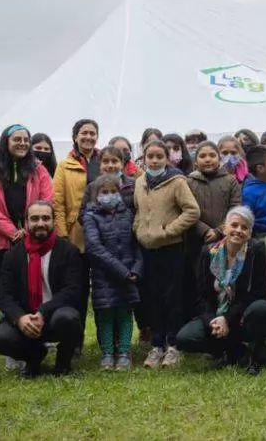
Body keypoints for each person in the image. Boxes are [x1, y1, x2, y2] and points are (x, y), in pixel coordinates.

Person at [0, 124, 54, 363]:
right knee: (8, 292)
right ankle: (13, 344)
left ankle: (41, 336)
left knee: (34, 288)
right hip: (2, 242)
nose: (22, 143)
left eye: (25, 139)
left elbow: (47, 200)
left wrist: (29, 230)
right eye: (16, 139)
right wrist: (12, 232)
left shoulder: (39, 170)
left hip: (35, 240)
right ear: (6, 142)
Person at [176, 206, 266, 376]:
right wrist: (212, 321)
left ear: (250, 233)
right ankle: (232, 351)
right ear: (225, 228)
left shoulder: (256, 251)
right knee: (185, 338)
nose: (238, 230)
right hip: (216, 313)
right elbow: (201, 296)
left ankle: (256, 355)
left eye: (244, 227)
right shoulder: (208, 253)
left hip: (243, 315)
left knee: (262, 308)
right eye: (234, 225)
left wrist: (227, 319)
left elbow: (258, 292)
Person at [0, 201, 84, 377]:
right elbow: (4, 294)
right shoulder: (12, 255)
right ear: (26, 223)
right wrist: (19, 318)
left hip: (55, 316)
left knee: (69, 319)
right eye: (34, 219)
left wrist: (43, 312)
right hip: (26, 319)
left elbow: (72, 290)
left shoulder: (68, 251)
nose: (40, 223)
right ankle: (34, 358)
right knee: (0, 339)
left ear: (53, 221)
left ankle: (63, 362)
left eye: (45, 218)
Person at [133, 140, 200, 368]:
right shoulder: (140, 182)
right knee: (152, 297)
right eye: (149, 156)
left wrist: (168, 231)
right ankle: (157, 344)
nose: (154, 160)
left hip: (170, 248)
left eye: (159, 156)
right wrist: (139, 230)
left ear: (167, 158)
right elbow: (139, 212)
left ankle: (173, 345)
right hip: (147, 248)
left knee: (172, 297)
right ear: (143, 158)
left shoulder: (177, 181)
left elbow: (192, 211)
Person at [83, 174, 143, 371]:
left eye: (113, 191)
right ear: (95, 196)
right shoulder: (90, 216)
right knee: (106, 315)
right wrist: (121, 271)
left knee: (125, 314)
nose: (109, 196)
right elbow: (94, 247)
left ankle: (124, 352)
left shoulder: (128, 214)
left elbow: (137, 245)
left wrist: (135, 270)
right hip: (104, 276)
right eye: (104, 192)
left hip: (128, 275)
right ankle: (108, 354)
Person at [184, 141, 242, 321]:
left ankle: (226, 318)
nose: (207, 159)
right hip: (196, 241)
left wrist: (218, 231)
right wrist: (204, 230)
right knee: (200, 281)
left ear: (219, 158)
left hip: (225, 241)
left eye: (212, 155)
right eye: (202, 156)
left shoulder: (230, 181)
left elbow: (236, 209)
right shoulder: (189, 182)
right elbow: (186, 209)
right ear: (196, 160)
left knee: (224, 280)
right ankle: (203, 319)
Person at [53, 119, 101, 252]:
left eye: (92, 133)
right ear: (75, 137)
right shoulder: (64, 166)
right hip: (76, 230)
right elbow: (58, 203)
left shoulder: (105, 162)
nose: (88, 137)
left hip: (103, 229)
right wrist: (62, 234)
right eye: (84, 133)